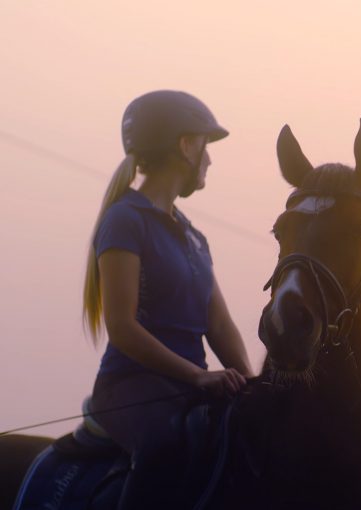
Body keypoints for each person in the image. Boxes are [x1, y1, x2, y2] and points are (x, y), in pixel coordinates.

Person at [81, 90, 254, 509]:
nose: (209, 159)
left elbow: (220, 326)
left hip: (188, 387)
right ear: (185, 145)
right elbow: (121, 327)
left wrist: (251, 386)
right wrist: (197, 376)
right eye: (206, 146)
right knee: (165, 446)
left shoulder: (195, 237)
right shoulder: (125, 219)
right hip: (129, 388)